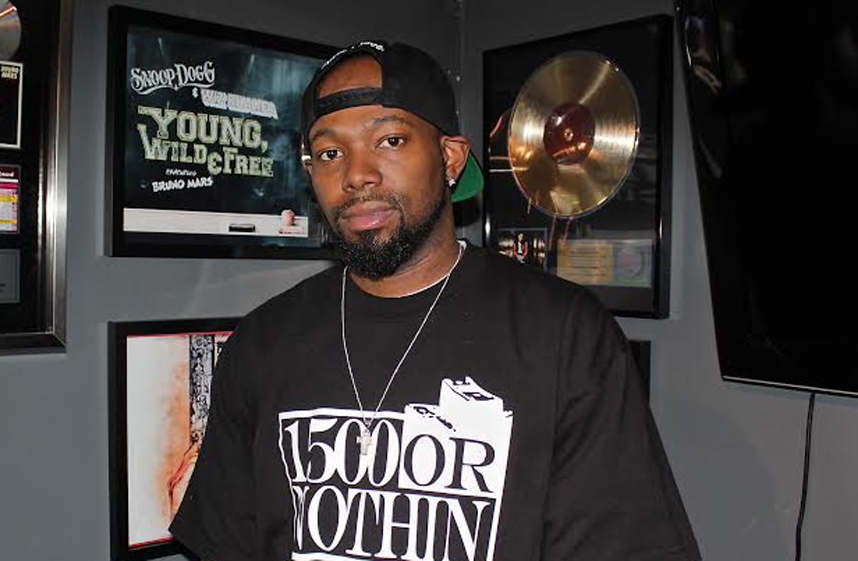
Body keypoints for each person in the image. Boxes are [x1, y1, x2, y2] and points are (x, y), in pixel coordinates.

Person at [169, 40, 700, 561]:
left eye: (390, 140)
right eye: (330, 152)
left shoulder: (563, 335)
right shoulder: (263, 342)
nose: (356, 174)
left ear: (450, 158)